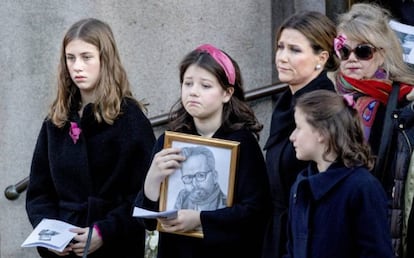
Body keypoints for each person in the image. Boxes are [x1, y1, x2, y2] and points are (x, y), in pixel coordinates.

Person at [25, 18, 156, 258]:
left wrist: (105, 231)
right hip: (64, 249)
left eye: (87, 57)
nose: (77, 66)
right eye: (70, 58)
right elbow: (38, 193)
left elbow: (143, 197)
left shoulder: (130, 119)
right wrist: (51, 237)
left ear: (104, 59)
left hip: (115, 247)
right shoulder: (57, 119)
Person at [134, 43, 270, 258]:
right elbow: (149, 222)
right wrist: (152, 180)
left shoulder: (243, 144)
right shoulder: (168, 142)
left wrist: (200, 219)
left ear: (227, 93)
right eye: (188, 84)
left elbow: (255, 211)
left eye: (205, 86)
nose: (193, 92)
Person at [332, 3, 414, 257]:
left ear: (384, 52)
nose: (352, 59)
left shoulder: (404, 102)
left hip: (380, 225)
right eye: (344, 51)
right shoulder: (328, 98)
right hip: (338, 223)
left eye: (363, 51)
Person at [262, 11, 339, 258]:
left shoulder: (326, 108)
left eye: (295, 50)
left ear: (321, 58)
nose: (282, 57)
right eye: (280, 47)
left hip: (307, 237)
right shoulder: (285, 104)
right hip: (277, 232)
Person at [284, 89, 393, 258]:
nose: (292, 136)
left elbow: (377, 252)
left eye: (298, 127)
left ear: (322, 132)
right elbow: (291, 250)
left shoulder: (362, 187)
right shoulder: (300, 185)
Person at [174, 146, 227, 211]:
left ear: (214, 176)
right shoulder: (183, 197)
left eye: (200, 175)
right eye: (188, 177)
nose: (194, 184)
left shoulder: (227, 204)